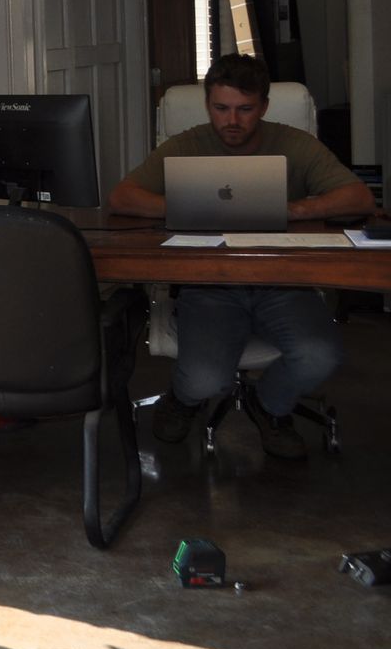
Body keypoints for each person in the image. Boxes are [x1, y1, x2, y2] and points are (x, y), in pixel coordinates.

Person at [108, 54, 373, 459]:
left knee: (321, 356)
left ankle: (270, 406)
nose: (232, 120)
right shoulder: (188, 144)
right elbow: (123, 197)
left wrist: (292, 209)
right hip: (211, 284)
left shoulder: (293, 143)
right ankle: (183, 399)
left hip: (283, 282)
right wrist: (187, 204)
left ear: (263, 106)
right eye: (221, 108)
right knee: (204, 380)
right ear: (208, 105)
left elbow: (358, 198)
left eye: (245, 109)